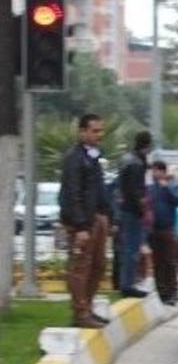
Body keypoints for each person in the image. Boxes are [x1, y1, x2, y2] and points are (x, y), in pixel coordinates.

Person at [58, 114, 112, 328]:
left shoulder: (94, 157)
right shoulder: (74, 157)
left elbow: (99, 190)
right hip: (82, 223)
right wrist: (80, 226)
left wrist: (108, 216)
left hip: (97, 218)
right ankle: (80, 313)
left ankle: (87, 308)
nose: (100, 134)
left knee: (98, 265)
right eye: (95, 131)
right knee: (81, 267)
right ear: (82, 132)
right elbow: (73, 193)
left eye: (101, 130)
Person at [116, 131, 153, 298]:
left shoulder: (127, 159)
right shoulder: (137, 164)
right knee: (132, 248)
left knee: (127, 248)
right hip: (132, 211)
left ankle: (125, 282)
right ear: (147, 146)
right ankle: (128, 285)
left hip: (125, 209)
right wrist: (143, 209)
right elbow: (136, 191)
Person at [147, 161, 178, 306]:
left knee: (169, 261)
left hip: (168, 229)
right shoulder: (151, 188)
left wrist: (167, 188)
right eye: (153, 171)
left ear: (163, 172)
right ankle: (161, 292)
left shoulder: (173, 186)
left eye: (156, 171)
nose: (154, 174)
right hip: (154, 229)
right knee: (158, 262)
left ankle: (172, 292)